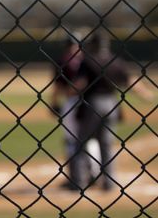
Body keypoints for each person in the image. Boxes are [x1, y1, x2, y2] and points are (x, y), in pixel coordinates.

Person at [69, 32, 154, 191]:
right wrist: (146, 94)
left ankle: (79, 182)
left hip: (92, 103)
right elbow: (130, 81)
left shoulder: (87, 60)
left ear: (93, 44)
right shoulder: (116, 61)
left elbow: (80, 84)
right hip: (112, 104)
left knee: (81, 143)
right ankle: (109, 183)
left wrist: (69, 91)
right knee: (106, 144)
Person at [51, 33, 101, 187]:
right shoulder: (90, 59)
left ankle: (77, 176)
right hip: (91, 102)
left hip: (72, 103)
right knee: (90, 139)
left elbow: (58, 87)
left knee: (72, 140)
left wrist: (53, 103)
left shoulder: (63, 62)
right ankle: (94, 174)